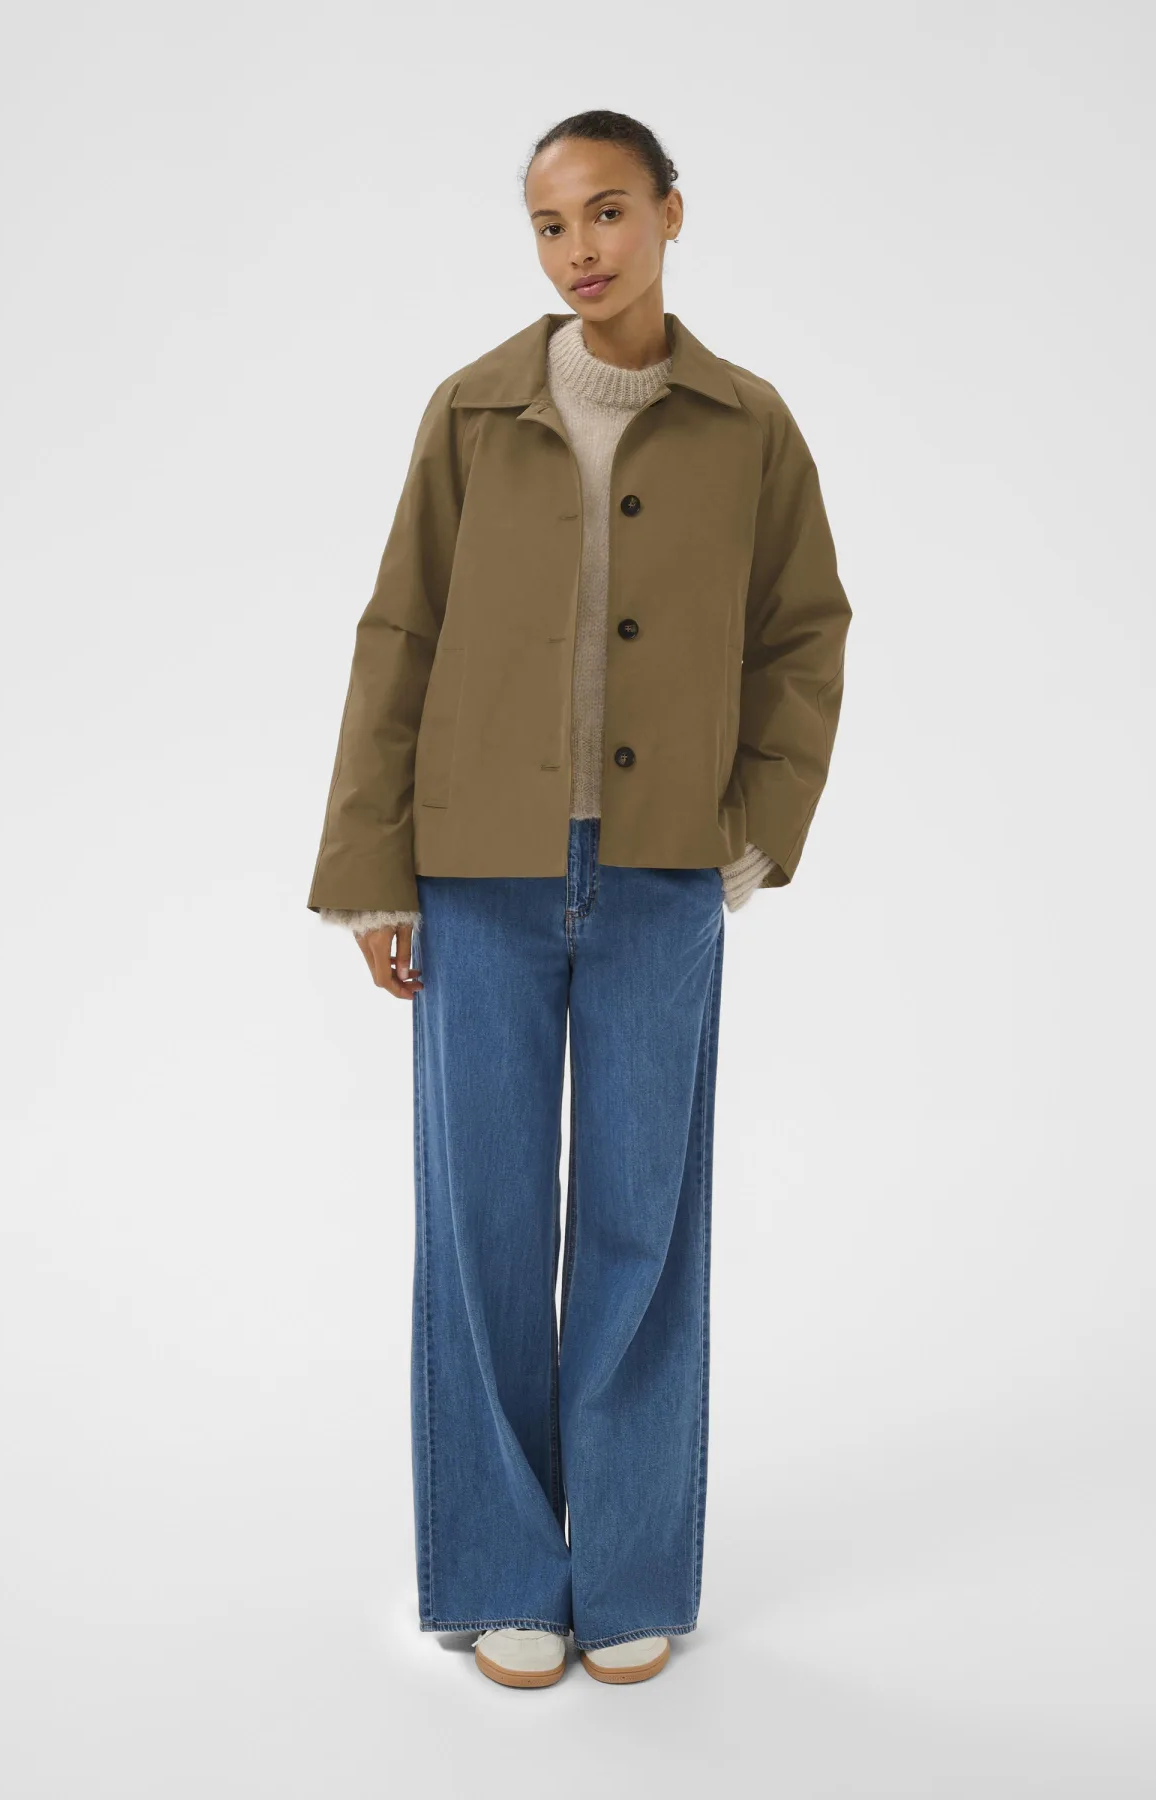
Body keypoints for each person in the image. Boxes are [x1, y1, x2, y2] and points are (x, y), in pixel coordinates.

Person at [306, 109, 851, 1688]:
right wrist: (371, 873)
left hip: (665, 875)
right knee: (480, 1223)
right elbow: (399, 633)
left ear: (671, 212)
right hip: (476, 872)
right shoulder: (473, 411)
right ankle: (496, 1570)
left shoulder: (749, 425)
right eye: (551, 225)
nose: (581, 249)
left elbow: (806, 631)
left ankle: (623, 1574)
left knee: (640, 1226)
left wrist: (750, 834)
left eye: (608, 211)